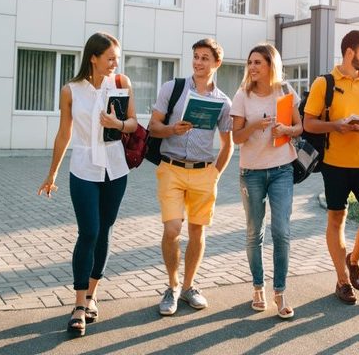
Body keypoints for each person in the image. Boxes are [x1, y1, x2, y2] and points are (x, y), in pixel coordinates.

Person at [37, 32, 137, 337]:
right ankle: (78, 304)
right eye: (110, 58)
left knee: (104, 231)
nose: (114, 64)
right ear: (93, 57)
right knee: (89, 231)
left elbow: (133, 123)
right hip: (83, 168)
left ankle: (92, 295)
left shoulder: (121, 84)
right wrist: (52, 173)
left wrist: (117, 125)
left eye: (117, 59)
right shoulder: (70, 90)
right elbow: (64, 133)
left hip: (116, 169)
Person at [149, 38, 233, 316]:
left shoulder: (223, 102)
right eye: (195, 56)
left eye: (204, 58)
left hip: (203, 173)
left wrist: (215, 174)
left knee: (198, 231)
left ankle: (188, 287)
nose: (198, 62)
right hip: (171, 168)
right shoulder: (172, 88)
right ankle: (172, 287)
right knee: (172, 229)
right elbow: (153, 127)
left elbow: (228, 143)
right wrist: (172, 130)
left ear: (216, 63)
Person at [304, 30, 359, 304]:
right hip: (334, 164)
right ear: (350, 52)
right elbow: (308, 123)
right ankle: (342, 281)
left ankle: (354, 259)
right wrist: (335, 126)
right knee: (336, 219)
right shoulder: (323, 83)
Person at [230, 44, 302, 319]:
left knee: (281, 231)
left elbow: (300, 126)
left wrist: (286, 130)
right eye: (250, 63)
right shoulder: (242, 96)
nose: (252, 67)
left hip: (282, 168)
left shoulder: (285, 91)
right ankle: (258, 287)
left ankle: (280, 291)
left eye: (258, 62)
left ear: (271, 65)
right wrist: (254, 126)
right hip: (252, 172)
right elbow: (236, 137)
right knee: (254, 232)